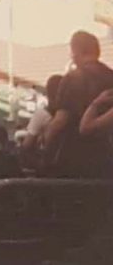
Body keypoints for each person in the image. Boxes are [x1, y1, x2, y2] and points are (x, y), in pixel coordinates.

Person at [44, 31, 113, 178]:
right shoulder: (111, 77)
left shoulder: (72, 78)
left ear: (75, 52)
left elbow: (61, 120)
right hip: (105, 157)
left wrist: (46, 145)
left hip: (74, 156)